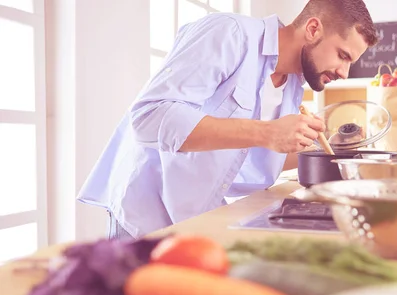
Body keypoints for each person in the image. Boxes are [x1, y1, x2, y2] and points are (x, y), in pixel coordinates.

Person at [77, 0, 378, 240]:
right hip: (143, 220)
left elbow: (256, 153)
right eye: (343, 55)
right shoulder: (229, 33)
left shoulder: (293, 86)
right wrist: (266, 132)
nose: (344, 73)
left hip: (196, 220)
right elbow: (148, 118)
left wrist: (333, 148)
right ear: (313, 29)